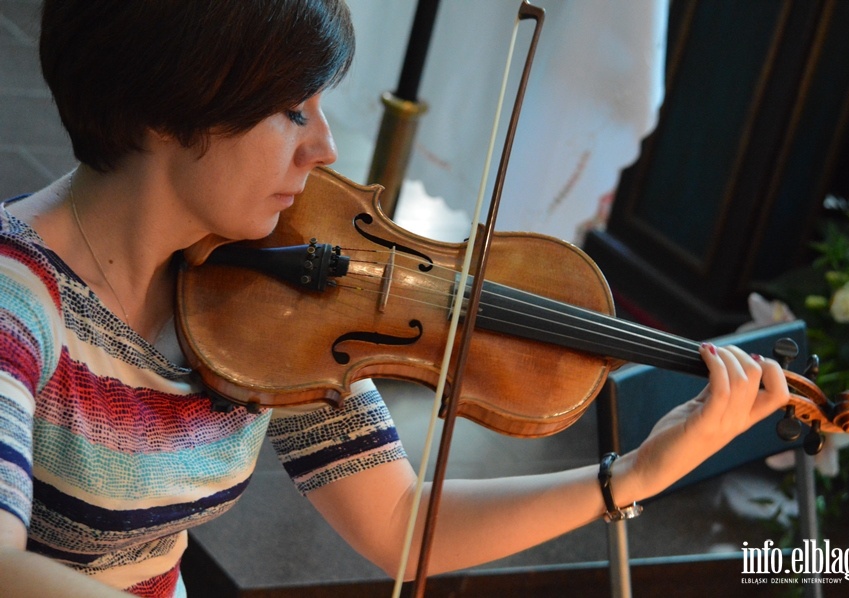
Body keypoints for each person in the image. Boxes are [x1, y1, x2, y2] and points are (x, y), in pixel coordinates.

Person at [0, 1, 791, 596]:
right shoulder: (17, 297)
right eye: (293, 112)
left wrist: (639, 475)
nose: (326, 148)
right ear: (167, 107)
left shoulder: (266, 286)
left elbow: (401, 525)